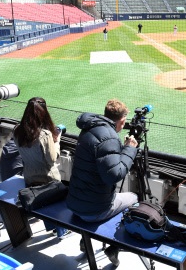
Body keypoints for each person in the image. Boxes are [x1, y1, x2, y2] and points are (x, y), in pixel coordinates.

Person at [67, 99, 138, 267]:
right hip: (93, 210)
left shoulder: (89, 129)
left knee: (113, 195)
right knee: (134, 198)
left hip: (75, 202)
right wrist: (130, 149)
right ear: (121, 120)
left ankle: (85, 242)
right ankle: (115, 247)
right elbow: (114, 175)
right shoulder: (109, 138)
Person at [13, 97, 70, 238]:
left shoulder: (18, 131)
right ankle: (61, 231)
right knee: (54, 206)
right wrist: (57, 141)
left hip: (29, 176)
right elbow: (52, 159)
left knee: (41, 204)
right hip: (48, 178)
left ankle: (51, 227)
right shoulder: (45, 135)